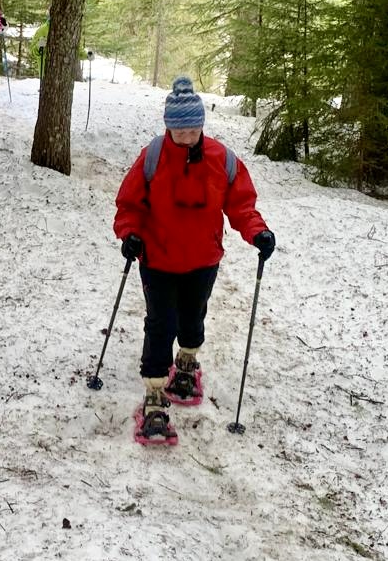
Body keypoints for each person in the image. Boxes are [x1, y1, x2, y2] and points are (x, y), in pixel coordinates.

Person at [113, 76, 276, 447]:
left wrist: (258, 232)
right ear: (168, 127)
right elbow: (129, 204)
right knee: (160, 323)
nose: (186, 137)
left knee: (192, 316)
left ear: (202, 124)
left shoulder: (223, 159)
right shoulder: (152, 157)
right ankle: (155, 392)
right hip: (157, 258)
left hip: (203, 260)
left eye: (192, 130)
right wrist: (129, 234)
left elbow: (242, 205)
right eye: (179, 131)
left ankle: (187, 363)